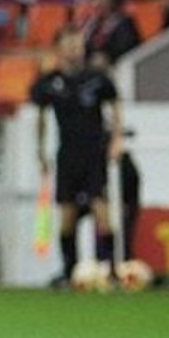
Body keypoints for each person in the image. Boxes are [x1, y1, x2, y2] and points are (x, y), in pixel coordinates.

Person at [32, 26, 126, 287]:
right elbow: (40, 118)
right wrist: (40, 152)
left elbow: (115, 106)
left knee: (101, 210)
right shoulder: (49, 82)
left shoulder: (97, 78)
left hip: (94, 153)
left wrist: (116, 139)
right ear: (58, 49)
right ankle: (68, 270)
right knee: (67, 215)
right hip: (67, 155)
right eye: (69, 44)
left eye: (78, 44)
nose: (75, 49)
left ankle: (111, 269)